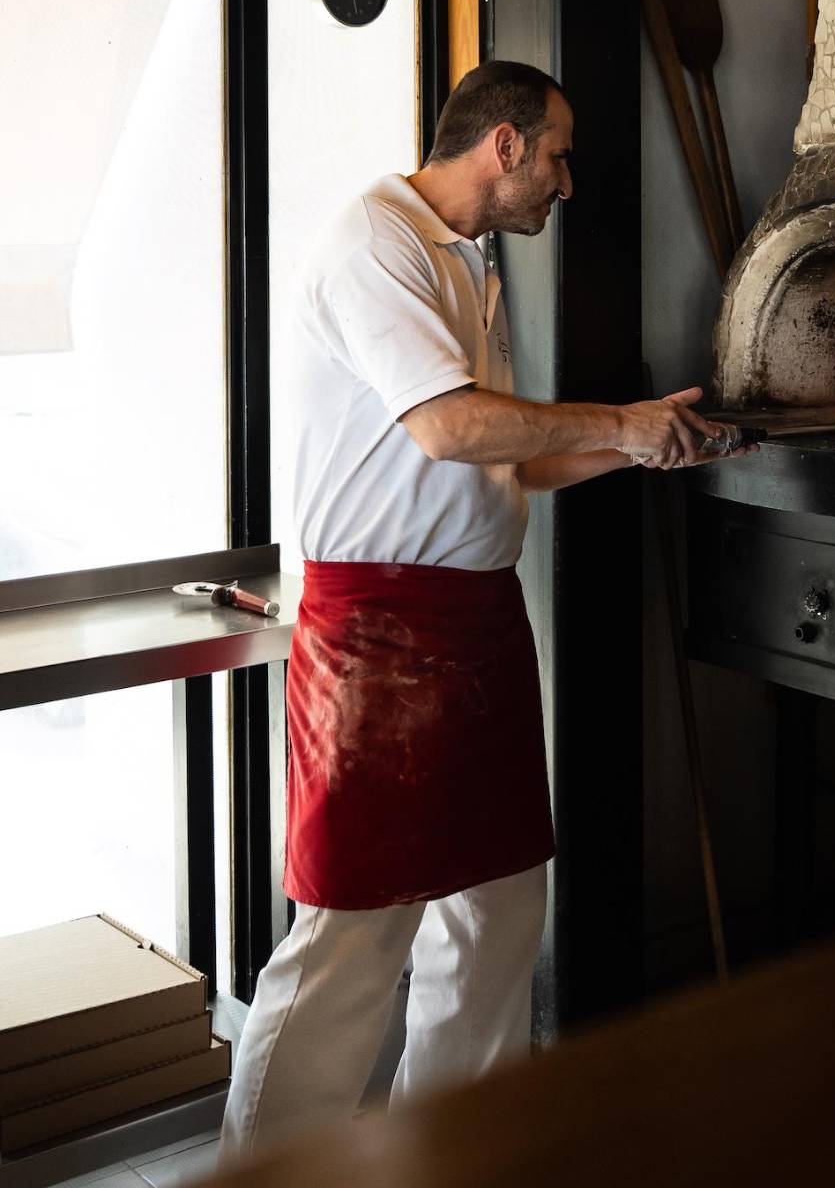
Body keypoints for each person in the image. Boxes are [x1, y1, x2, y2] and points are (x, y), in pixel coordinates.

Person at [220, 60, 722, 1161]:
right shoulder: (376, 242)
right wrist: (623, 420)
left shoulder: (466, 263)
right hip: (376, 639)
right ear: (502, 144)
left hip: (481, 631)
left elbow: (507, 465)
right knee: (352, 933)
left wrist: (638, 446)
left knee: (496, 914)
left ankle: (457, 1152)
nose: (565, 181)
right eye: (556, 154)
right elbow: (450, 429)